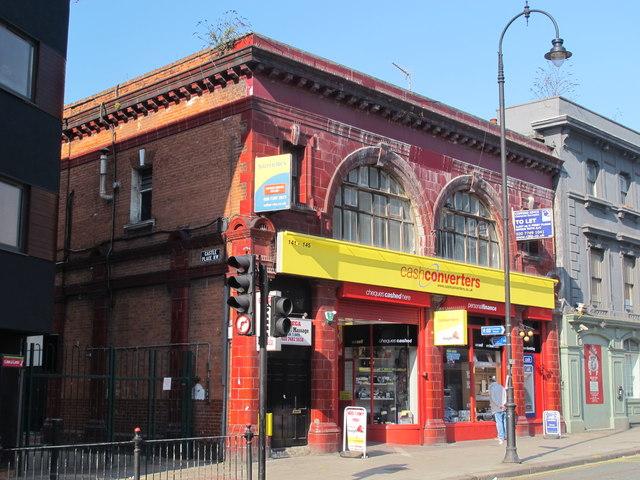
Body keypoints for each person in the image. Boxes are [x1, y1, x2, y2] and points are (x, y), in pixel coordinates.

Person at [489, 376, 507, 445]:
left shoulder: (491, 388)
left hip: (497, 408)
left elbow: (493, 398)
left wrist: (499, 405)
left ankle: (501, 437)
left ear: (491, 382)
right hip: (503, 407)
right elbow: (505, 397)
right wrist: (503, 404)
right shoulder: (502, 387)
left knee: (499, 423)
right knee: (504, 422)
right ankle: (506, 435)